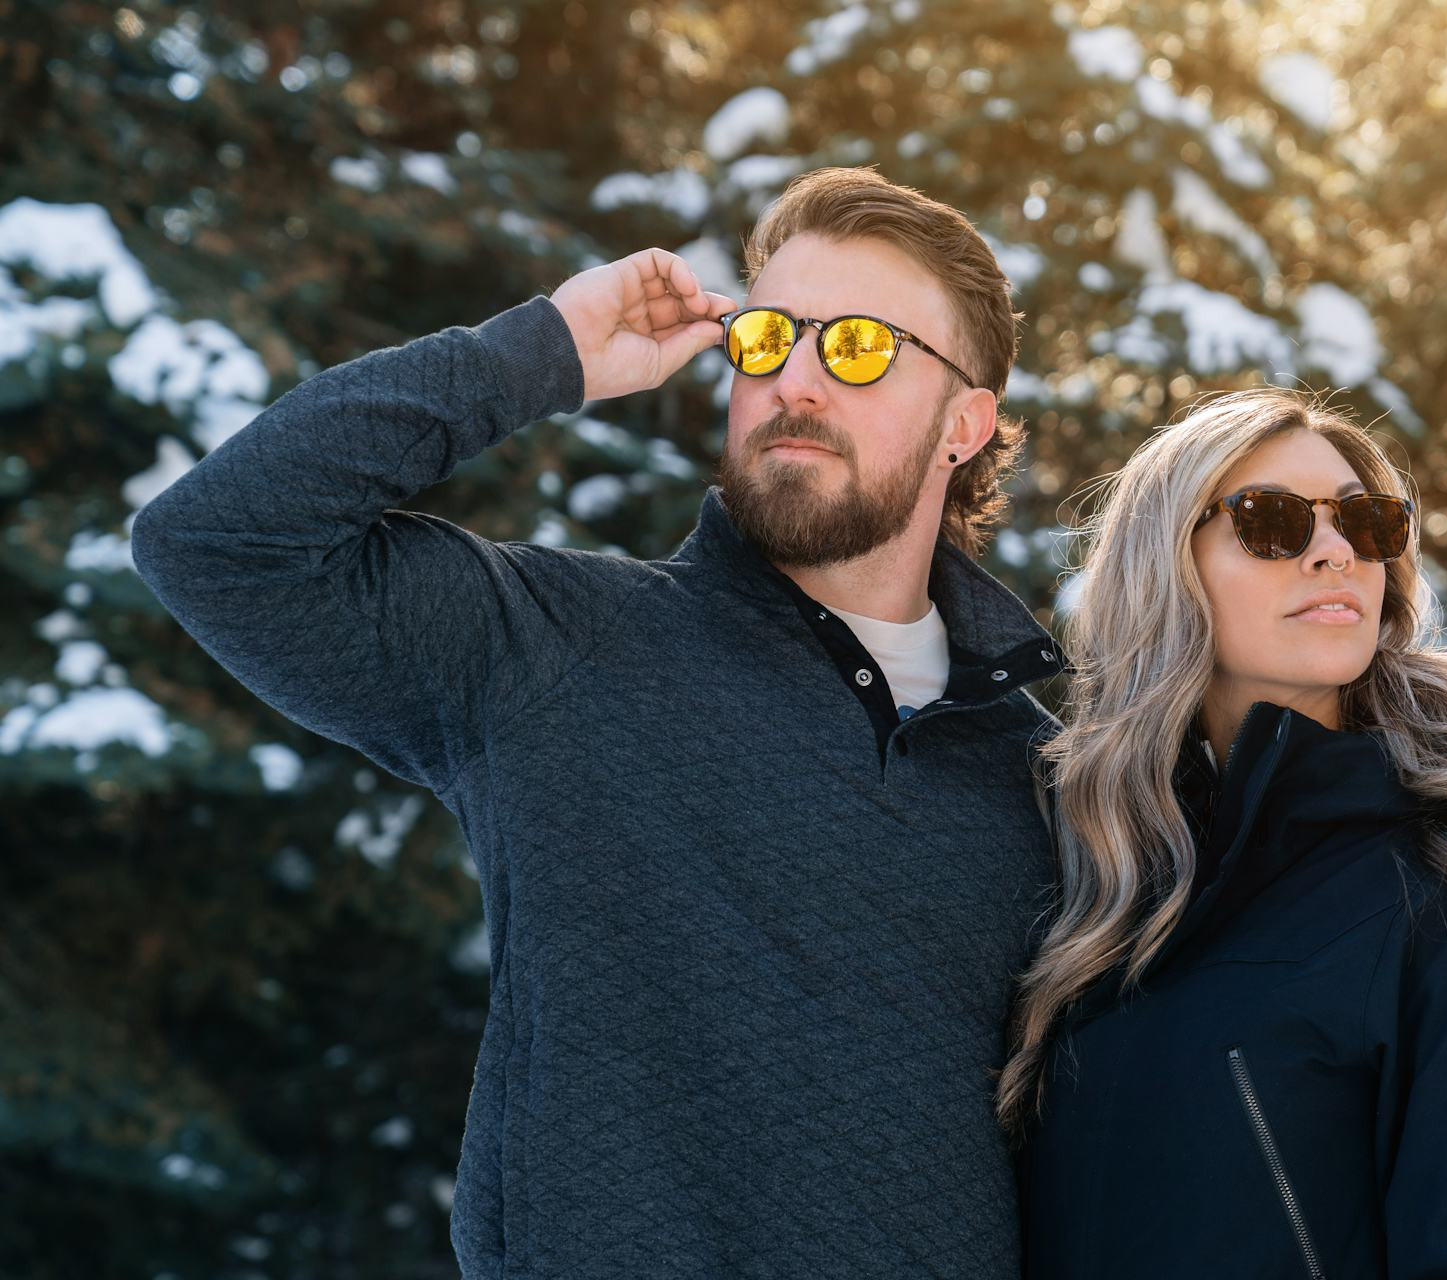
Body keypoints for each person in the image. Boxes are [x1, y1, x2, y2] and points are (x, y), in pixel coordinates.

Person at [129, 166, 1065, 1278]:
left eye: (859, 346)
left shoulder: (1052, 778)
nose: (796, 379)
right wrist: (544, 352)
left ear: (964, 422)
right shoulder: (558, 648)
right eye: (766, 337)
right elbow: (220, 544)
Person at [1001, 388, 1447, 1278]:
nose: (1337, 550)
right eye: (1273, 521)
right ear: (1164, 563)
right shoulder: (1104, 882)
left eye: (1367, 523)